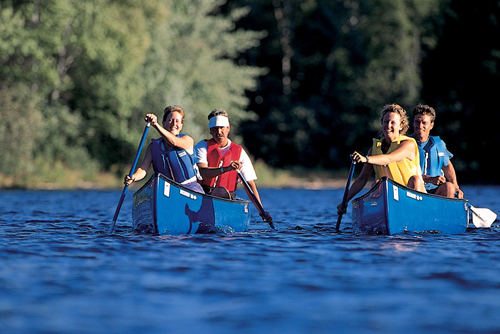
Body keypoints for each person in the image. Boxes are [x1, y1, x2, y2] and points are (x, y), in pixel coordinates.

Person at [338, 103, 426, 213]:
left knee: (415, 179)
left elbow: (389, 158)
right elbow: (362, 179)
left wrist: (366, 159)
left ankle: (416, 213)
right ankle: (381, 216)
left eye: (393, 122)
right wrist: (344, 202)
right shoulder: (374, 149)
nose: (388, 126)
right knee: (377, 184)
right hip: (391, 201)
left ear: (401, 126)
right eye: (386, 122)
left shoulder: (408, 144)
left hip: (412, 198)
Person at [194, 109, 273, 223]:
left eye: (222, 128)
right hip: (204, 194)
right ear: (210, 131)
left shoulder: (239, 152)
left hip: (226, 196)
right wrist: (226, 169)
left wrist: (261, 211)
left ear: (228, 128)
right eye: (215, 129)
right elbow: (203, 172)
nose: (219, 132)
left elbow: (249, 184)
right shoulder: (202, 146)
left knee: (220, 192)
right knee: (214, 192)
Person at [124, 105, 204, 193]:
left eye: (177, 121)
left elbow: (174, 142)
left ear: (181, 125)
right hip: (166, 190)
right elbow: (143, 169)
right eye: (170, 120)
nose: (174, 124)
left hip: (190, 187)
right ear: (164, 123)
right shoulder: (152, 147)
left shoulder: (187, 140)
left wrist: (155, 125)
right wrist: (133, 177)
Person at [410, 104, 463, 198]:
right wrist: (428, 179)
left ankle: (444, 210)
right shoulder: (405, 144)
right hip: (413, 188)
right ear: (413, 123)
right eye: (417, 122)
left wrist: (456, 186)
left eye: (424, 123)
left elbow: (447, 166)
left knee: (449, 187)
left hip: (435, 191)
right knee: (416, 180)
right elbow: (403, 173)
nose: (420, 126)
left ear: (431, 125)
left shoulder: (439, 144)